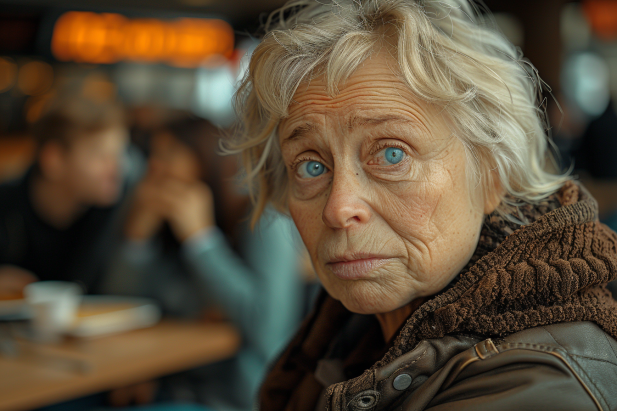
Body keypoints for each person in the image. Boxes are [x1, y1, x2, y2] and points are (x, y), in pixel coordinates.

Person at [227, 1, 617, 410]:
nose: (339, 208)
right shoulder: (348, 334)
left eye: (392, 155)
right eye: (311, 165)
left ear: (491, 175)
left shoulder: (536, 386)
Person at [102, 117, 303, 411]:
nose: (155, 167)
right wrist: (136, 240)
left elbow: (268, 332)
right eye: (153, 155)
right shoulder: (155, 214)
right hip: (163, 386)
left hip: (231, 399)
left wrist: (201, 240)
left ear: (205, 158)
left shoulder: (265, 218)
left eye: (170, 154)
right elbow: (116, 310)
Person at [0, 95, 129, 296]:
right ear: (54, 159)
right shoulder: (5, 204)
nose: (116, 170)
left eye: (119, 154)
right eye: (100, 156)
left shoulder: (119, 209)